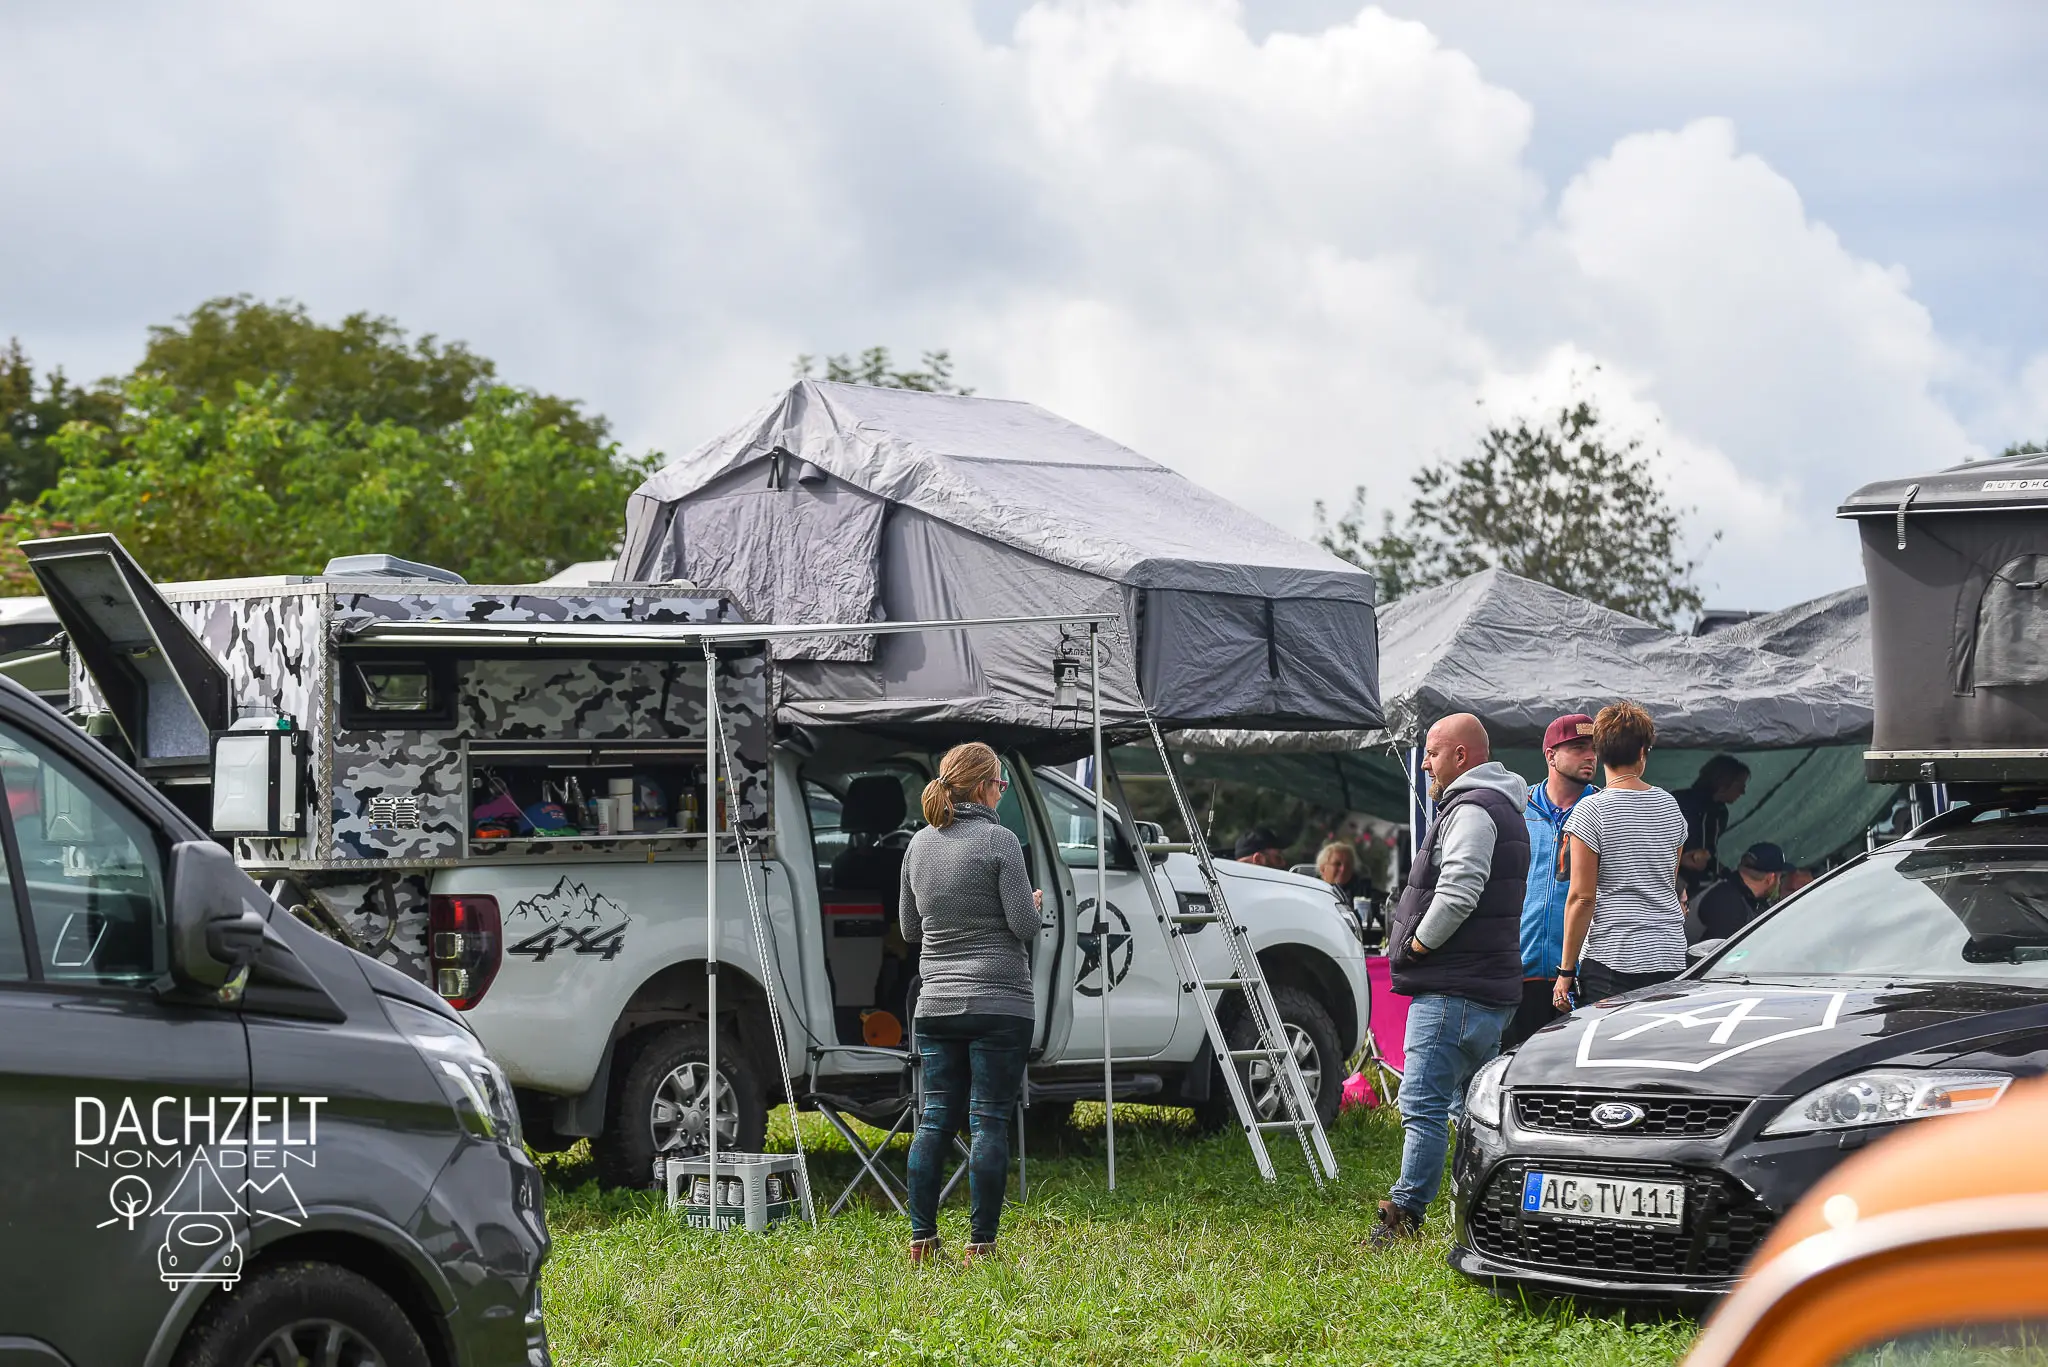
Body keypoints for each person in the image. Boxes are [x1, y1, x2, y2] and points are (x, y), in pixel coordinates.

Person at [1372, 713, 1527, 1246]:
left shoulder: (1473, 809)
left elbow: (1460, 889)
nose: (1425, 763)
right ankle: (1483, 1211)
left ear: (1462, 756)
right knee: (1470, 1111)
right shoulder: (1500, 806)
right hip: (1485, 986)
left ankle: (1405, 1215)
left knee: (1423, 1107)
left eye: (1433, 752)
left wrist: (1417, 945)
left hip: (1453, 988)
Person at [900, 742, 1043, 1265]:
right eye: (1001, 783)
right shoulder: (1000, 842)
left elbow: (909, 929)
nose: (1002, 791)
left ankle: (922, 1239)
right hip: (999, 1003)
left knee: (934, 1120)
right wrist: (1031, 905)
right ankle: (980, 1245)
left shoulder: (919, 845)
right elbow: (1023, 928)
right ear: (983, 787)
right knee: (988, 1123)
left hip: (936, 1003)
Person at [1554, 703, 1691, 1009]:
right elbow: (1667, 879)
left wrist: (1565, 971)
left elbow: (1582, 898)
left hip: (1613, 957)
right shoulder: (1670, 806)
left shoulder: (1592, 810)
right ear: (1643, 752)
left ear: (1600, 752)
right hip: (1668, 953)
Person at [1503, 713, 1598, 1050]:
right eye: (1577, 747)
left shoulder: (1602, 809)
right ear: (1550, 755)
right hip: (1517, 970)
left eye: (1593, 748)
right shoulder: (1515, 809)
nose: (1590, 756)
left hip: (1579, 976)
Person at [1686, 842, 1792, 943]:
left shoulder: (1736, 894)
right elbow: (1717, 956)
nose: (1779, 883)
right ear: (1770, 878)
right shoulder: (1727, 904)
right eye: (1780, 877)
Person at [1676, 755, 1750, 897]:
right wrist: (1681, 861)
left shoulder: (1720, 813)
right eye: (1740, 785)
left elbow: (1709, 853)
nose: (1743, 791)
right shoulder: (1680, 802)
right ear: (1723, 782)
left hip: (1702, 885)